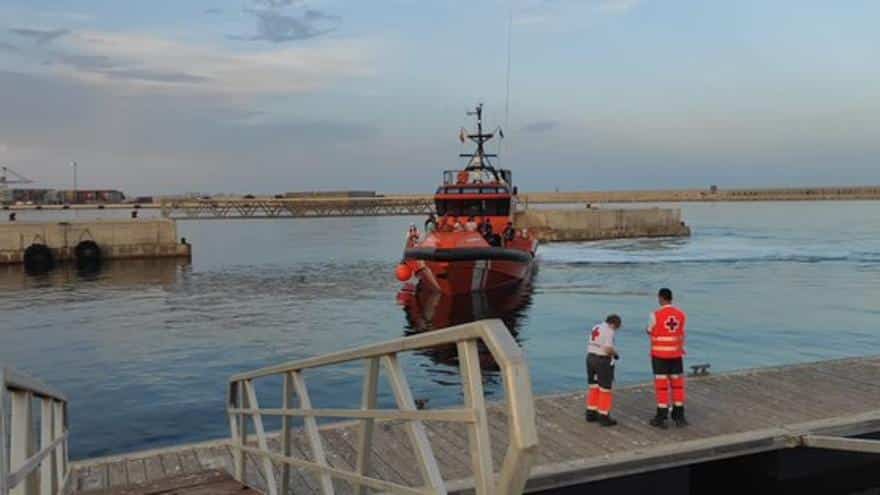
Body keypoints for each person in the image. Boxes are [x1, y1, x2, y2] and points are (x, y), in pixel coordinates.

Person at [647, 288, 688, 428]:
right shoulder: (681, 315)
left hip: (659, 356)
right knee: (677, 386)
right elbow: (681, 332)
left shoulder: (655, 315)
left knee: (662, 387)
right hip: (676, 355)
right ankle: (679, 416)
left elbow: (649, 330)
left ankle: (661, 416)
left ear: (661, 298)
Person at [586, 314, 622, 427]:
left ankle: (590, 413)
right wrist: (616, 354)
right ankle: (604, 416)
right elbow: (607, 349)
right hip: (602, 361)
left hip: (590, 358)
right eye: (617, 327)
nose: (616, 330)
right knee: (605, 389)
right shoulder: (609, 330)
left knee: (594, 386)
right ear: (613, 324)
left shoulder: (596, 327)